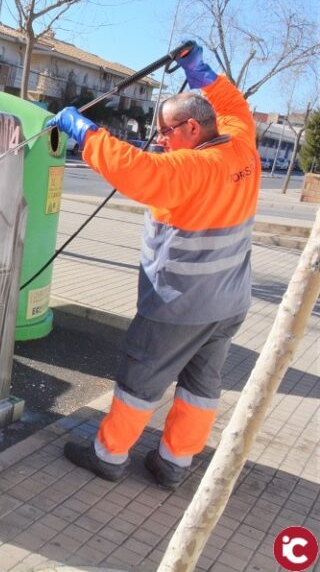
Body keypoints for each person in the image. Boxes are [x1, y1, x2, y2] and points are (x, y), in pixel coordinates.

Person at [45, 42, 260, 490]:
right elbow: (232, 104)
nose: (159, 138)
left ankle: (108, 455)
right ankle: (174, 463)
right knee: (202, 386)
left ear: (194, 128)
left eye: (166, 130)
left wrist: (83, 131)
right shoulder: (241, 144)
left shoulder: (191, 169)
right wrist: (202, 73)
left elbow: (134, 169)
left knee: (140, 377)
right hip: (230, 303)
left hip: (180, 304)